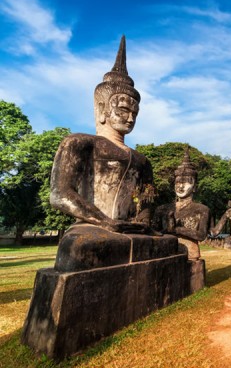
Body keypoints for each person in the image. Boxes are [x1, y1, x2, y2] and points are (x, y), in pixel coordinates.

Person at [50, 36, 160, 271]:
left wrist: (141, 223)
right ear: (102, 108)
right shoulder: (80, 143)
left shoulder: (142, 160)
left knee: (169, 244)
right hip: (91, 226)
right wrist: (106, 222)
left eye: (135, 113)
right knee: (80, 248)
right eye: (123, 109)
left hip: (128, 229)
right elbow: (60, 194)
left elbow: (148, 203)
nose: (130, 118)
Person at [153, 148, 210, 259]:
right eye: (178, 182)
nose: (180, 186)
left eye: (186, 182)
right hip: (165, 253)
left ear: (194, 187)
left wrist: (177, 229)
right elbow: (154, 232)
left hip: (190, 253)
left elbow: (202, 235)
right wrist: (167, 230)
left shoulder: (202, 210)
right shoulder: (162, 209)